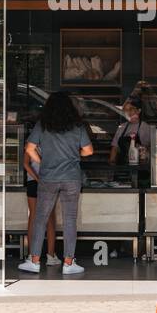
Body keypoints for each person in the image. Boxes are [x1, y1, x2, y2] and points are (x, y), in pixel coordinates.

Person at [20, 92, 92, 275]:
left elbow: (29, 148)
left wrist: (42, 161)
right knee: (69, 220)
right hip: (71, 178)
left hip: (48, 178)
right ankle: (69, 263)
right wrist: (74, 156)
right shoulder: (78, 126)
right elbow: (89, 151)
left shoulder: (42, 125)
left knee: (40, 219)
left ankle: (34, 261)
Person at [23, 120, 60, 266]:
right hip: (48, 181)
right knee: (50, 218)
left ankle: (32, 256)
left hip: (34, 181)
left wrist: (37, 179)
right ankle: (50, 255)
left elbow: (26, 163)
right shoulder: (54, 142)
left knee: (33, 217)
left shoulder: (32, 141)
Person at [108, 98, 154, 186]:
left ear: (139, 110)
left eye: (131, 109)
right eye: (125, 110)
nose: (128, 112)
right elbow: (114, 147)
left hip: (139, 169)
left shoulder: (145, 127)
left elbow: (149, 149)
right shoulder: (122, 127)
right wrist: (112, 163)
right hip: (122, 167)